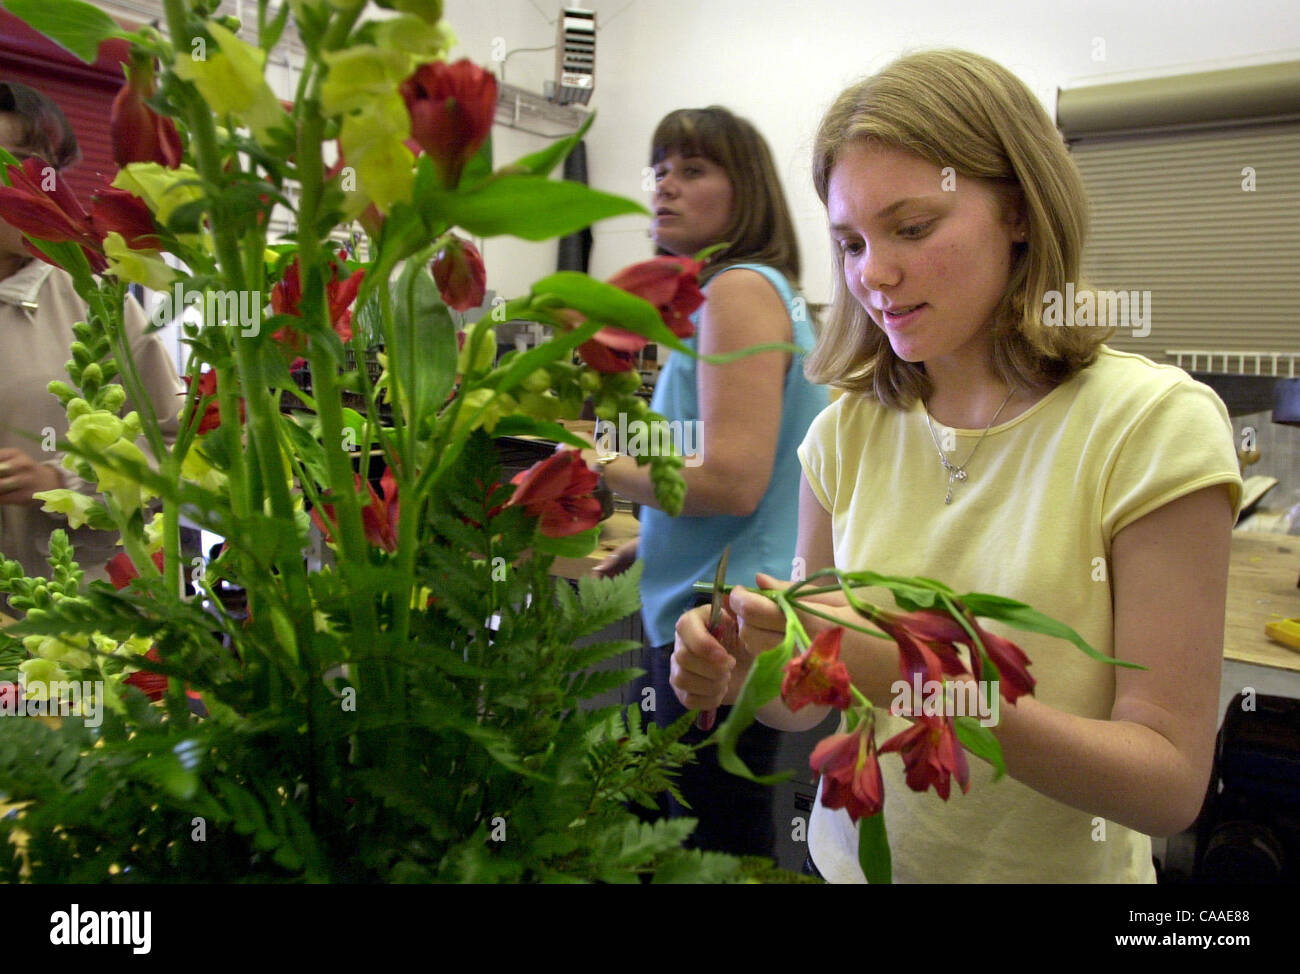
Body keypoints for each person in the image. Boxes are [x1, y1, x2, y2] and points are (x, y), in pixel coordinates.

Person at [670, 50, 1242, 883]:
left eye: (912, 227)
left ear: (1017, 209)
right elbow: (806, 702)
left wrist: (922, 683)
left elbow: (1165, 785)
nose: (874, 274)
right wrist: (741, 661)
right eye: (851, 241)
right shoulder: (846, 432)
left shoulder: (1153, 427)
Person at [580, 106, 828, 857]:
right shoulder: (748, 291)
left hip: (717, 621)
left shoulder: (736, 291)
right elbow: (734, 467)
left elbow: (731, 481)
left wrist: (595, 460)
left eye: (692, 169)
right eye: (659, 169)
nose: (665, 187)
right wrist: (652, 540)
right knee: (710, 836)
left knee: (692, 848)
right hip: (721, 598)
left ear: (744, 189)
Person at [0, 80, 182, 585]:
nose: (11, 186)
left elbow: (170, 443)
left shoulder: (96, 304)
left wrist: (59, 480)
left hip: (78, 610)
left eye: (22, 166)